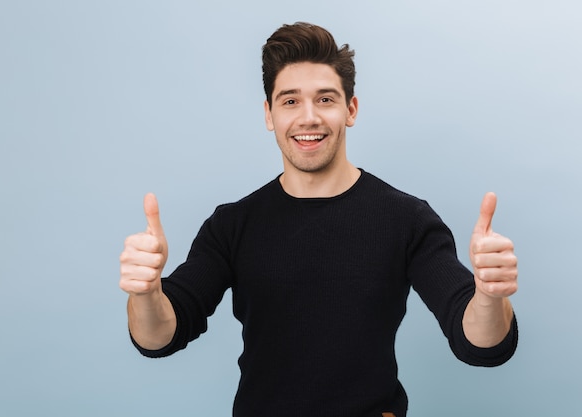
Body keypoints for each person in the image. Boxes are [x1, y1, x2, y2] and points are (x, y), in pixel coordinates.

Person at [119, 22, 518, 417]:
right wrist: (147, 294)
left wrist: (489, 297)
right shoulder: (232, 225)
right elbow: (160, 337)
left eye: (325, 99)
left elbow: (481, 344)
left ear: (351, 109)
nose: (308, 117)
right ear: (269, 114)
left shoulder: (406, 219)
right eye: (290, 101)